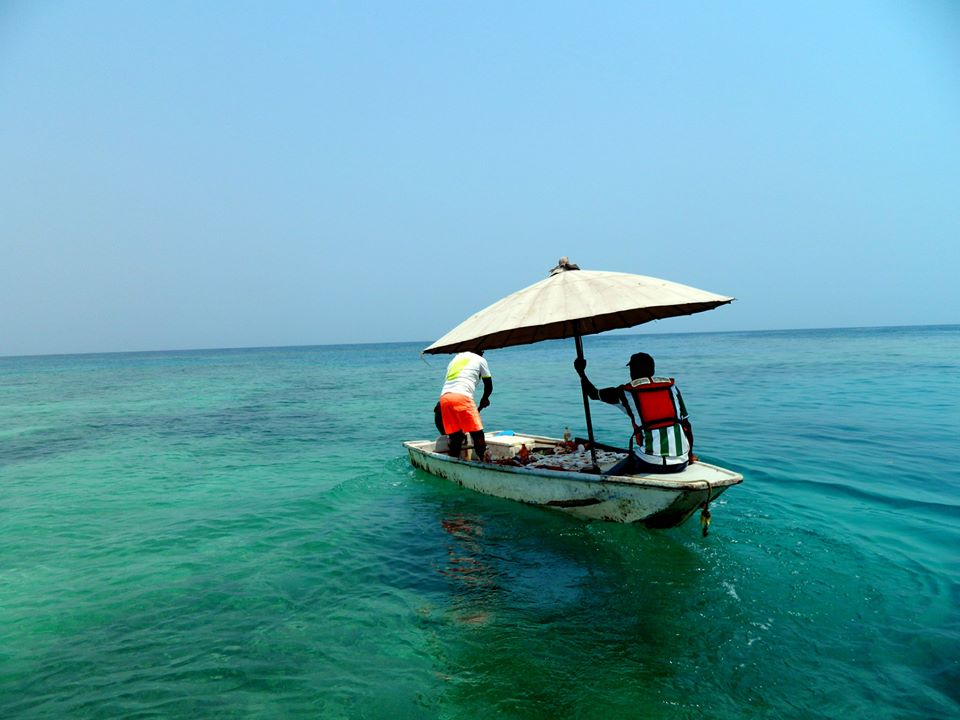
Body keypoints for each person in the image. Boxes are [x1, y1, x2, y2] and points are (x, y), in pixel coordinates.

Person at [574, 352, 695, 473]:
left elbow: (593, 394)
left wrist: (581, 372)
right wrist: (689, 456)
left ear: (632, 371)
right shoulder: (672, 388)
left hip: (651, 463)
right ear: (653, 370)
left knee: (611, 472)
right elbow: (686, 425)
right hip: (681, 462)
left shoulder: (625, 393)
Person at [438, 350, 493, 461]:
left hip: (444, 398)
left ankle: (453, 462)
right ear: (479, 351)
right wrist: (485, 398)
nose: (483, 353)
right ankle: (484, 461)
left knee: (455, 436)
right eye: (482, 351)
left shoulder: (455, 359)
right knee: (477, 434)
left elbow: (452, 383)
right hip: (462, 397)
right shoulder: (480, 360)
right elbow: (488, 385)